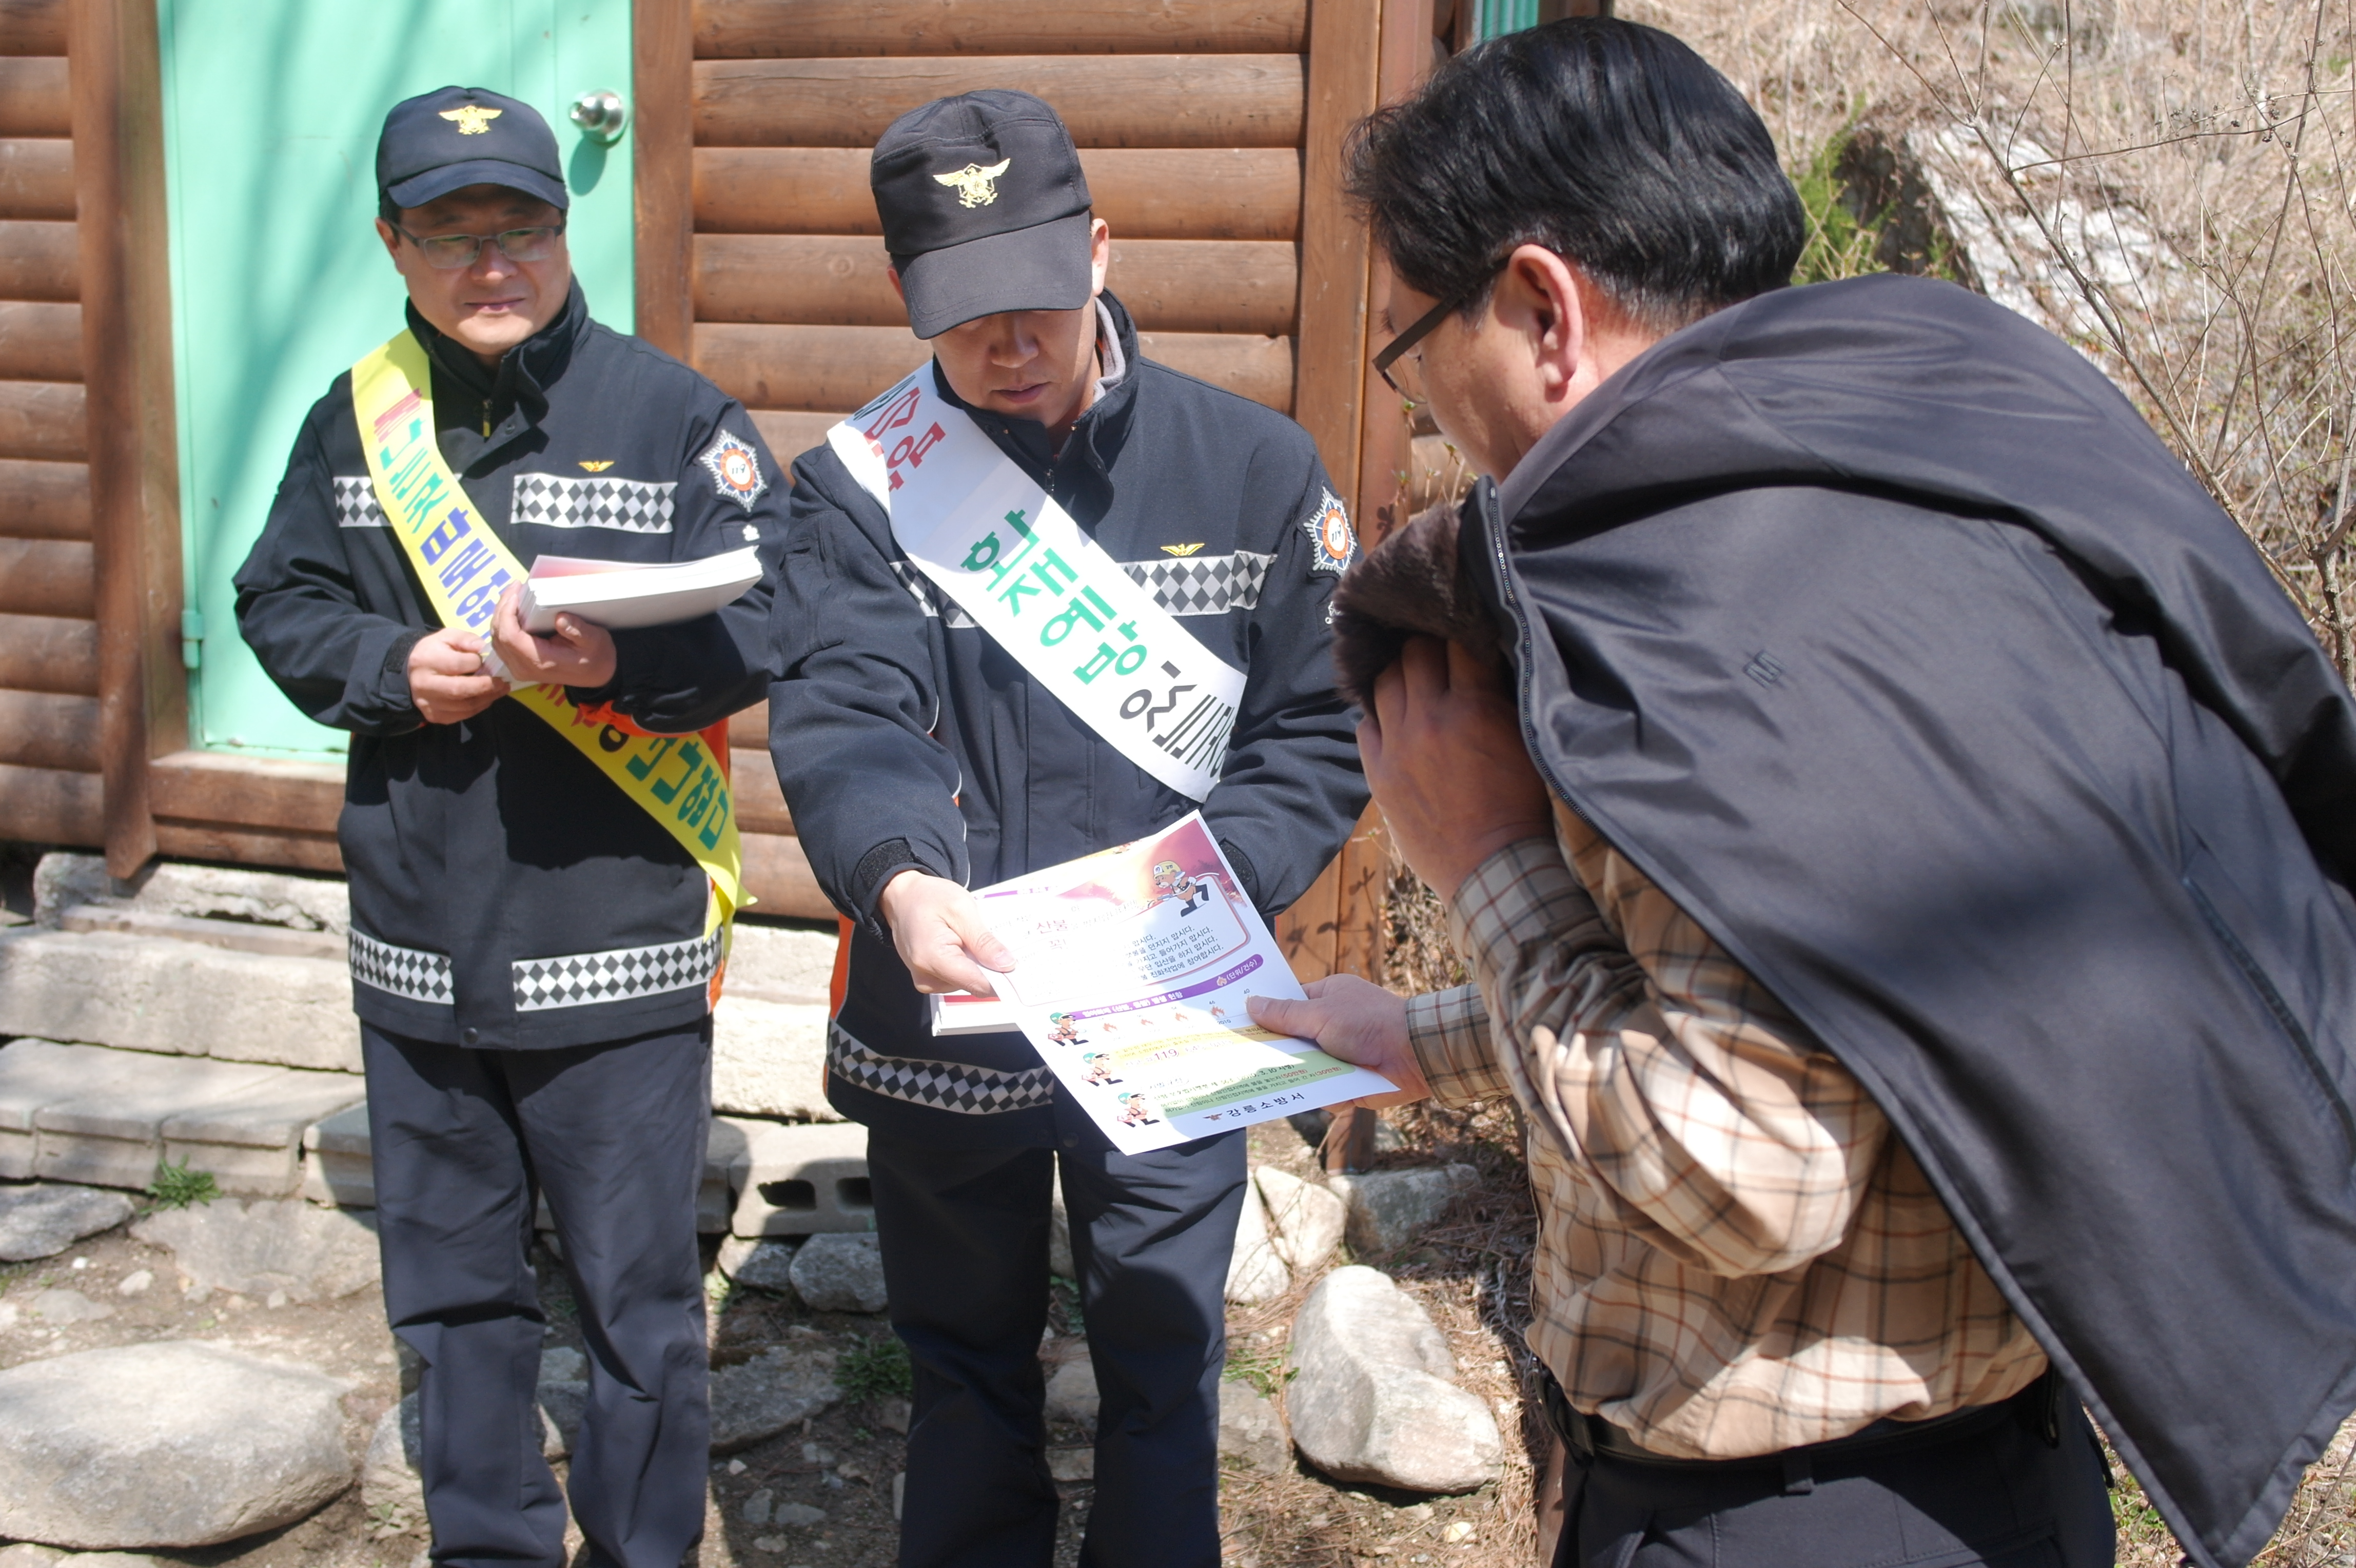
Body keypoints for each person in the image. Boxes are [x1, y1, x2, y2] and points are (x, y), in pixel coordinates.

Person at [1250, 19, 2356, 1568]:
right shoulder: (1918, 469)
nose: (1423, 407)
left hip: (1798, 1521)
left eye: (1411, 347)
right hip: (1994, 1481)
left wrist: (1486, 857)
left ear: (1544, 311)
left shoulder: (1693, 612)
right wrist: (1423, 1035)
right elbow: (1802, 1005)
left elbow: (1745, 1171)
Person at [769, 89, 1367, 1568]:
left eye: (1036, 300)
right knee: (960, 1365)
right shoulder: (856, 493)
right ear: (907, 296)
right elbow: (847, 714)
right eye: (965, 318)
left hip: (1171, 1001)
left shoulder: (1255, 469)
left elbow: (1317, 729)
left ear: (1100, 250)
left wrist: (1216, 880)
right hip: (944, 1002)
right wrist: (900, 879)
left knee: (1166, 1365)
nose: (1009, 348)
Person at [234, 86, 789, 1568]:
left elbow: (780, 614)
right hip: (419, 948)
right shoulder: (354, 424)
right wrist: (387, 669)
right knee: (453, 1305)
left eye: (523, 227)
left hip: (614, 949)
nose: (493, 263)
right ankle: (484, 1545)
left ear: (564, 225)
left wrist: (620, 667)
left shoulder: (671, 417)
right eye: (450, 234)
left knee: (637, 1311)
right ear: (392, 244)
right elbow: (278, 598)